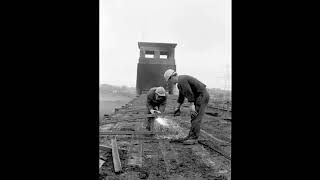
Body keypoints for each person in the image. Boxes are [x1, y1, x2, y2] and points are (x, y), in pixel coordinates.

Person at [164, 69, 210, 145]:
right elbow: (181, 96)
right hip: (198, 96)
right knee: (193, 117)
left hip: (201, 96)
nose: (170, 83)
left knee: (196, 117)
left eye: (169, 80)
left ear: (172, 77)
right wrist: (177, 107)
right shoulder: (180, 83)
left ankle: (194, 138)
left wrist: (192, 105)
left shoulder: (182, 80)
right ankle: (190, 136)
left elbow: (189, 92)